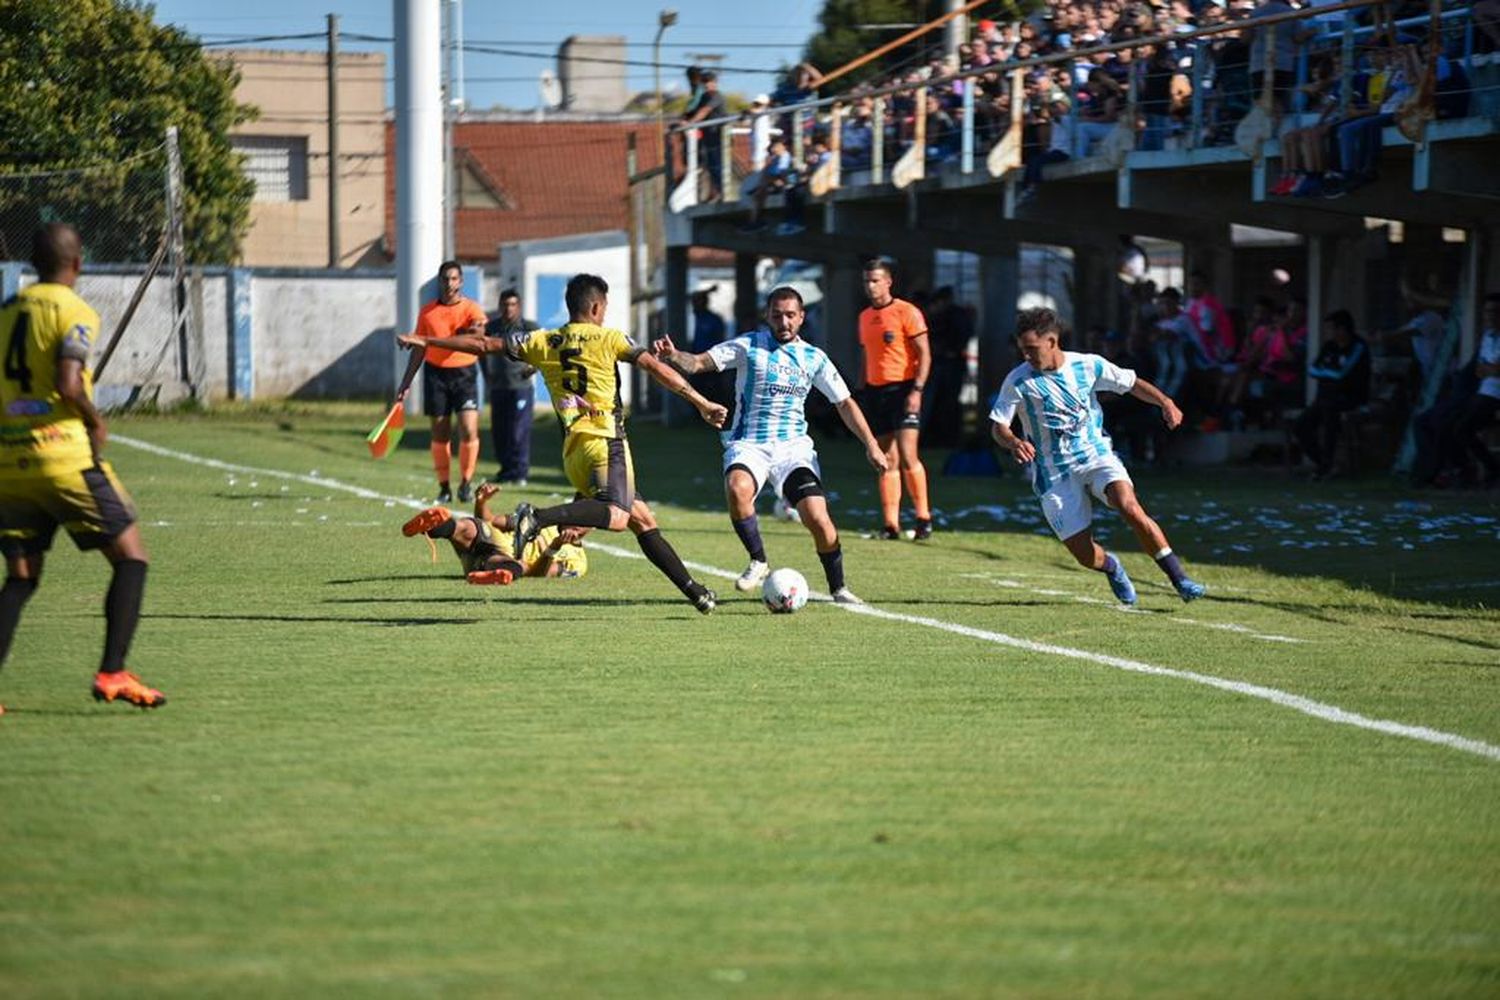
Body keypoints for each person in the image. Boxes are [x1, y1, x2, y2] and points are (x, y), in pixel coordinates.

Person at [398, 273, 727, 614]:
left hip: (573, 452)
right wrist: (701, 403)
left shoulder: (545, 340)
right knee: (617, 516)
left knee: (642, 519)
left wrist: (427, 339)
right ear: (597, 306)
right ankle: (536, 518)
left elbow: (483, 345)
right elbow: (655, 367)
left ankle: (695, 592)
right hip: (605, 443)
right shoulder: (610, 338)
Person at [0, 224, 165, 713]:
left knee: (22, 577)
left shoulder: (7, 313)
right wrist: (95, 420)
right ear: (77, 264)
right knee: (131, 556)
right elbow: (69, 383)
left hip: (9, 462)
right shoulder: (74, 310)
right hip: (63, 457)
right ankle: (113, 670)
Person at [651, 286, 888, 604]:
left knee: (818, 518)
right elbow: (697, 363)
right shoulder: (748, 345)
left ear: (801, 317)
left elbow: (844, 402)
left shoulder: (814, 358)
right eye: (777, 315)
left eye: (791, 315)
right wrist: (673, 356)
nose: (784, 322)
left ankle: (839, 587)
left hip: (793, 450)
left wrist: (871, 444)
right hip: (749, 445)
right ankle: (759, 560)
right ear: (768, 316)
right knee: (737, 489)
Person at [989, 307, 1207, 605]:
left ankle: (1180, 579)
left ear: (1052, 341)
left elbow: (1131, 384)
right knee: (1084, 555)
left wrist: (1165, 402)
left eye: (1031, 349)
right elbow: (998, 426)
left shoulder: (1088, 365)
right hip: (1053, 472)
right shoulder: (1018, 380)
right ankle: (1112, 566)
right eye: (1023, 350)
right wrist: (1013, 441)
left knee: (1129, 506)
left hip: (1095, 455)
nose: (1026, 356)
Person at [395, 260, 488, 504]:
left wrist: (467, 333)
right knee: (440, 432)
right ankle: (444, 486)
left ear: (461, 281)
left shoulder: (471, 308)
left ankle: (466, 482)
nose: (450, 283)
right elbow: (419, 349)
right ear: (440, 281)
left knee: (468, 429)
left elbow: (479, 333)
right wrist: (405, 383)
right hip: (436, 374)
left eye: (454, 278)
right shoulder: (427, 312)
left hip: (465, 374)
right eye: (446, 279)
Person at [858, 257, 933, 540]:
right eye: (866, 280)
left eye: (875, 280)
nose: (870, 286)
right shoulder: (864, 316)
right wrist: (862, 387)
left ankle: (923, 518)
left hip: (904, 388)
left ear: (888, 282)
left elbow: (924, 353)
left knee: (909, 455)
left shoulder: (906, 312)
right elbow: (867, 354)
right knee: (885, 459)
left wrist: (917, 390)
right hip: (876, 393)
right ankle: (891, 525)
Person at [402, 482, 588, 584]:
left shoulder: (578, 562)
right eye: (577, 513)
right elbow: (491, 520)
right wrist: (481, 503)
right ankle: (437, 525)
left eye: (586, 517)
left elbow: (539, 574)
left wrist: (553, 548)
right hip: (484, 541)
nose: (579, 521)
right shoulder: (543, 518)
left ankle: (493, 574)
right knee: (471, 527)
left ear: (594, 523)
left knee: (519, 565)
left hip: (502, 559)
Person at [1294, 309, 1371, 480]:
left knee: (1330, 415)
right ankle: (1325, 463)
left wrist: (1326, 372)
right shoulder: (1329, 346)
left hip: (1350, 398)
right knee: (1300, 426)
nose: (1329, 333)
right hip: (1325, 398)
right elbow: (1312, 369)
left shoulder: (1358, 346)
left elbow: (1342, 374)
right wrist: (1329, 373)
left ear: (1342, 329)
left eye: (1331, 328)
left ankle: (1326, 467)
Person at [483, 288, 539, 486]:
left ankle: (520, 472)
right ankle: (506, 470)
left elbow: (544, 352)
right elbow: (481, 351)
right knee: (500, 432)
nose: (509, 309)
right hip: (499, 387)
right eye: (505, 305)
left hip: (520, 387)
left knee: (518, 431)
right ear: (499, 306)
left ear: (519, 306)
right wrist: (486, 374)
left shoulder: (529, 328)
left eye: (513, 305)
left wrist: (532, 368)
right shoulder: (492, 327)